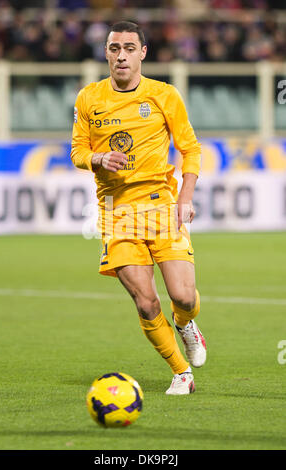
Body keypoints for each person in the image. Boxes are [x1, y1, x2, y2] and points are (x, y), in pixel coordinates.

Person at [71, 21, 206, 395]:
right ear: (106, 53)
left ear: (143, 52)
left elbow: (190, 149)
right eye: (115, 49)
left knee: (183, 297)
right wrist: (97, 158)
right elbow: (77, 152)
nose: (122, 56)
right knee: (145, 301)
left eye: (129, 48)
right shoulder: (88, 99)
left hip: (162, 206)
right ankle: (181, 373)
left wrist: (185, 197)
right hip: (116, 212)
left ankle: (186, 325)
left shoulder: (164, 95)